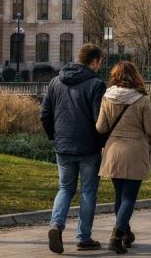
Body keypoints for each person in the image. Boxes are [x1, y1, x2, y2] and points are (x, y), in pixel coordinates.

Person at [41, 43, 106, 254]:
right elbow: (99, 120)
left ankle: (56, 224)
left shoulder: (55, 82)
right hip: (88, 147)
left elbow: (45, 115)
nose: (99, 67)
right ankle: (83, 237)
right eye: (99, 63)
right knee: (88, 192)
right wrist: (103, 143)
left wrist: (54, 136)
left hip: (63, 145)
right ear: (94, 61)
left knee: (65, 188)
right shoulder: (96, 84)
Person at [96, 61, 151, 254]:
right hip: (135, 149)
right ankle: (117, 234)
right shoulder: (142, 99)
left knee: (119, 194)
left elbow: (101, 127)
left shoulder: (107, 97)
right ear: (135, 76)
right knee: (129, 196)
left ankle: (126, 233)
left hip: (113, 150)